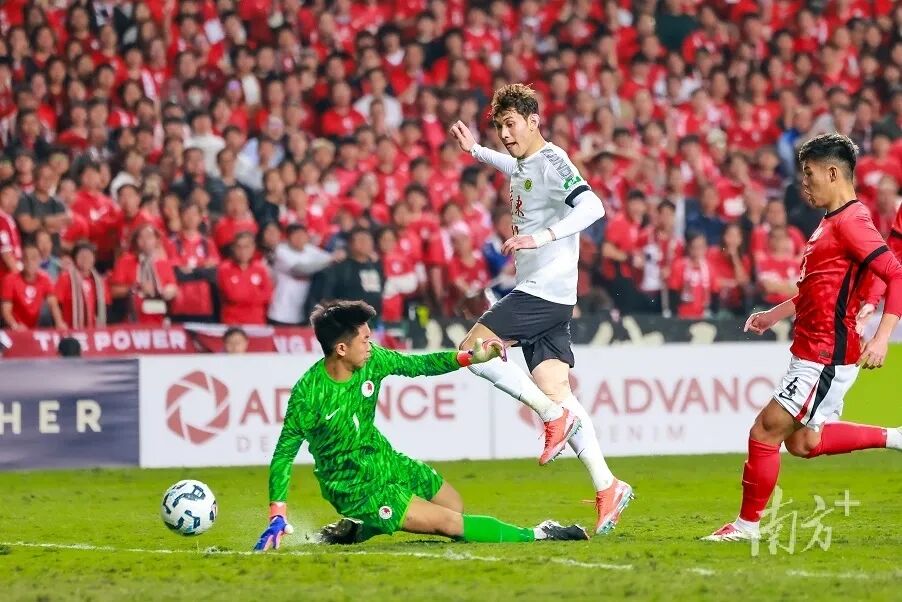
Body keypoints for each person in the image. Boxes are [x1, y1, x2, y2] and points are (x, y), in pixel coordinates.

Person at [254, 300, 588, 551]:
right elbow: (283, 455)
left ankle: (356, 529)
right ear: (341, 349)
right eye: (365, 340)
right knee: (451, 525)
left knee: (453, 505)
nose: (371, 344)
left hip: (383, 459)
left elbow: (419, 364)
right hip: (354, 485)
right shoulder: (309, 394)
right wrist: (277, 513)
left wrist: (471, 357)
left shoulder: (373, 360)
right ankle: (540, 533)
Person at [448, 83, 631, 535]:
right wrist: (477, 152)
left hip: (543, 291)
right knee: (556, 388)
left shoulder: (552, 160)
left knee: (473, 351)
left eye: (511, 124)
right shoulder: (526, 162)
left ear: (534, 122)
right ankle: (608, 486)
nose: (505, 134)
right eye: (499, 126)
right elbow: (515, 166)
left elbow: (593, 206)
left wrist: (541, 237)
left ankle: (552, 418)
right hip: (550, 295)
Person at [705, 133, 902, 542]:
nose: (804, 183)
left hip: (825, 354)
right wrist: (773, 315)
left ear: (833, 173)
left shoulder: (851, 222)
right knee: (804, 442)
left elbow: (895, 273)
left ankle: (746, 527)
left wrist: (883, 337)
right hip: (813, 350)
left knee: (765, 430)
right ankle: (896, 437)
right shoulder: (831, 222)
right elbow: (817, 289)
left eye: (809, 174)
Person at [1, 244, 66, 330]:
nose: (30, 262)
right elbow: (6, 310)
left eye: (34, 258)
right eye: (26, 258)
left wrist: (59, 322)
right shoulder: (10, 279)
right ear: (22, 261)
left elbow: (53, 304)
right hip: (9, 328)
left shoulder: (44, 279)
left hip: (32, 327)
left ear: (39, 260)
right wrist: (15, 326)